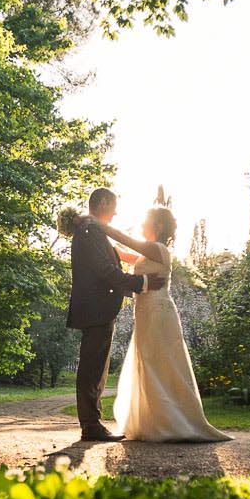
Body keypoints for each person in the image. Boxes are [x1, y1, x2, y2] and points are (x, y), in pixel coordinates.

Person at [101, 204, 231, 443]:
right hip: (145, 313)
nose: (141, 225)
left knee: (160, 363)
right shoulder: (147, 253)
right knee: (148, 362)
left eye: (145, 221)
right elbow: (122, 253)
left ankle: (173, 423)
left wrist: (99, 225)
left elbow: (126, 241)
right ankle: (154, 422)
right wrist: (99, 241)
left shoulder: (158, 249)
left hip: (158, 313)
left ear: (158, 226)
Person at [65, 188, 165, 441]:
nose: (116, 211)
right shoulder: (90, 232)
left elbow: (110, 266)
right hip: (96, 308)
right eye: (114, 205)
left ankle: (92, 423)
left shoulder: (91, 232)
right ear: (101, 203)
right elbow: (107, 272)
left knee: (97, 367)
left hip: (99, 308)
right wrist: (142, 282)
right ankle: (90, 425)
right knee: (92, 368)